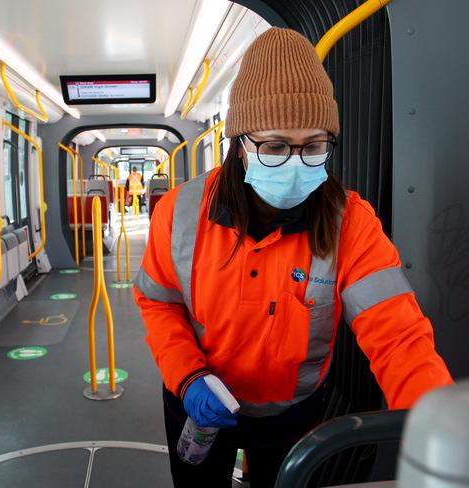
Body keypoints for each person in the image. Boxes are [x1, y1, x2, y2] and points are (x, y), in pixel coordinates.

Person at [133, 28, 453, 488]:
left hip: (293, 418)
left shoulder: (350, 223)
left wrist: (439, 427)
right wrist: (187, 377)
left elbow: (400, 337)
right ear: (240, 145)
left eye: (314, 146)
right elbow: (158, 304)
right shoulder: (180, 213)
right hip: (199, 401)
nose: (296, 162)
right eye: (276, 146)